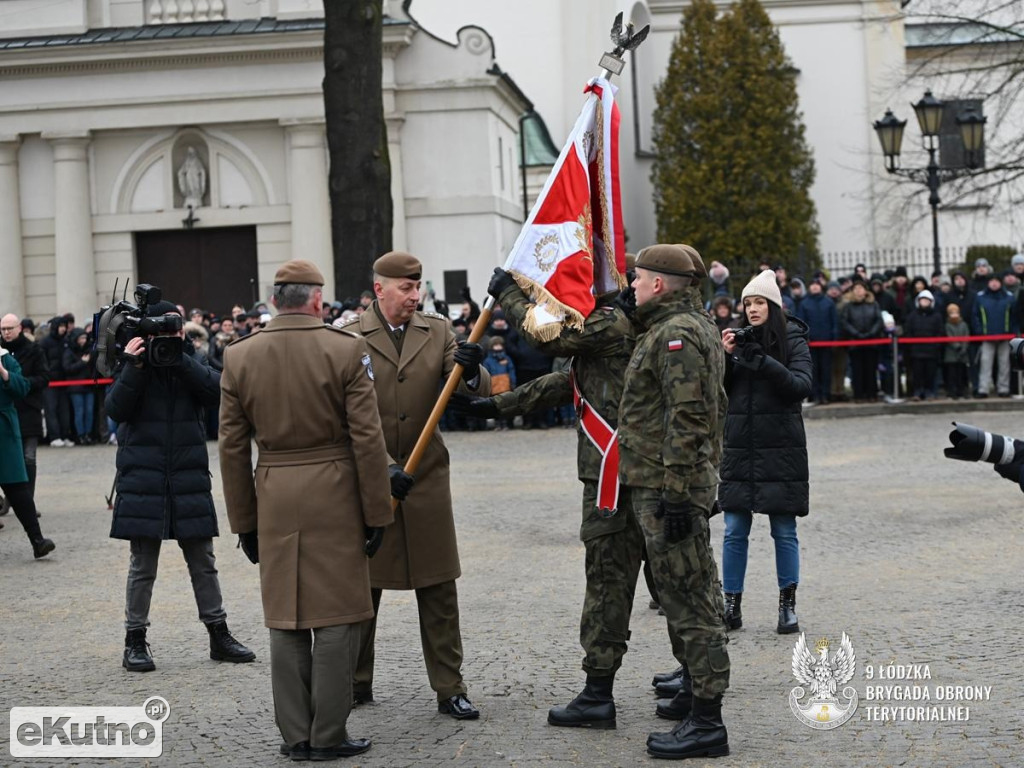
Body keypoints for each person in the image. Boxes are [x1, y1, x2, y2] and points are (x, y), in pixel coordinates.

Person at [457, 267, 659, 730]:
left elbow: (549, 342)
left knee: (610, 582)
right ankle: (690, 683)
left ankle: (598, 694)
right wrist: (496, 406)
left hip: (615, 476)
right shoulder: (623, 323)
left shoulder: (611, 323)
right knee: (663, 581)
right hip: (637, 471)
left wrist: (509, 293)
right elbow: (566, 382)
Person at [219, 260, 393, 761]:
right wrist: (377, 511)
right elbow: (366, 437)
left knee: (286, 617)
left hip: (273, 490)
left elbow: (231, 448)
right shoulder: (344, 348)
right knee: (338, 616)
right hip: (334, 491)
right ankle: (328, 734)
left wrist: (244, 521)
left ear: (276, 300)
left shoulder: (240, 356)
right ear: (317, 300)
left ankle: (295, 733)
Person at [341, 251, 488, 720]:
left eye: (417, 286)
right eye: (405, 287)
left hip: (425, 478)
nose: (415, 295)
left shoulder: (439, 331)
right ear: (379, 289)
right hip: (372, 479)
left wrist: (472, 367)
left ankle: (450, 687)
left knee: (439, 587)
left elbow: (470, 392)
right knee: (362, 589)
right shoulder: (347, 338)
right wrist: (381, 466)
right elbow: (342, 416)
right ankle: (354, 682)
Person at [617, 244, 731, 760]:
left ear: (660, 283)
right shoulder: (688, 325)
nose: (633, 285)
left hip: (670, 489)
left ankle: (708, 722)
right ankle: (697, 702)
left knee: (691, 602)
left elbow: (688, 418)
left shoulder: (675, 334)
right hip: (670, 484)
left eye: (638, 277)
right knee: (691, 594)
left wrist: (681, 494)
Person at [105, 301, 254, 672]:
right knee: (142, 565)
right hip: (143, 477)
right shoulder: (133, 362)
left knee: (203, 561)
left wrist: (181, 357)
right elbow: (116, 409)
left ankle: (218, 634)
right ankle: (134, 640)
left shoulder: (190, 358)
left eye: (174, 330)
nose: (168, 339)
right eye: (163, 332)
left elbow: (217, 392)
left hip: (187, 477)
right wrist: (135, 365)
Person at [719, 269, 812, 636]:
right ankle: (731, 605)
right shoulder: (739, 341)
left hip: (782, 449)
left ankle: (787, 606)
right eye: (748, 303)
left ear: (773, 305)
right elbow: (717, 390)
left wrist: (765, 361)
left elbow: (800, 386)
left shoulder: (793, 338)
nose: (752, 308)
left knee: (784, 531)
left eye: (759, 302)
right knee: (733, 529)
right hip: (741, 446)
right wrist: (726, 358)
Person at [0, 345, 56, 558]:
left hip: (4, 432)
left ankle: (37, 540)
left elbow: (22, 387)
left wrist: (4, 374)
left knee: (17, 489)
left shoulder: (6, 360)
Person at [1, 314, 50, 513]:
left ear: (19, 328)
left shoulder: (34, 349)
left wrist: (22, 385)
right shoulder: (2, 352)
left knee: (28, 457)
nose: (6, 333)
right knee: (6, 458)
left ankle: (27, 503)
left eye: (9, 328)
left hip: (28, 408)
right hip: (6, 412)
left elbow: (44, 377)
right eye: (3, 329)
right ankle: (8, 501)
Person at [971, 273, 1018, 398]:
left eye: (996, 281)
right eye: (991, 281)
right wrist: (980, 331)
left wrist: (1013, 332)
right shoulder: (980, 297)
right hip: (987, 336)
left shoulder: (1009, 297)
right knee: (985, 363)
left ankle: (1003, 389)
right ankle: (983, 389)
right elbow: (975, 316)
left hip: (1005, 336)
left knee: (1004, 364)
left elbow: (1014, 316)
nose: (994, 283)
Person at [840, 279, 882, 402]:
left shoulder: (873, 304)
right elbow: (845, 322)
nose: (859, 291)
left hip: (871, 342)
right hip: (855, 342)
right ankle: (858, 394)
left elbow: (878, 320)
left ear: (865, 291)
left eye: (861, 288)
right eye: (856, 289)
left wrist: (871, 333)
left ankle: (872, 394)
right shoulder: (848, 306)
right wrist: (856, 334)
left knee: (871, 369)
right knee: (857, 370)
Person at [796, 280, 837, 404]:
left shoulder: (829, 302)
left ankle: (825, 394)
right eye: (812, 284)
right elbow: (801, 322)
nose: (814, 287)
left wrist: (834, 338)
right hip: (811, 343)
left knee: (826, 369)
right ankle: (815, 394)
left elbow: (834, 321)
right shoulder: (804, 303)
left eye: (817, 284)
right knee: (813, 369)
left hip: (826, 342)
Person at [902, 289, 944, 401]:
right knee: (917, 373)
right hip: (916, 351)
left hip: (931, 350)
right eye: (922, 300)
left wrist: (936, 345)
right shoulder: (912, 316)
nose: (924, 302)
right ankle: (918, 391)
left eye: (927, 300)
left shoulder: (936, 316)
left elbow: (940, 332)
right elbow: (908, 331)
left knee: (930, 373)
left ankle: (930, 391)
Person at [39, 315, 72, 446]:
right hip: (50, 383)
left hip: (63, 381)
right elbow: (42, 361)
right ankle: (54, 437)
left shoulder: (66, 341)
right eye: (61, 326)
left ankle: (65, 435)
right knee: (51, 410)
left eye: (65, 326)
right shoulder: (45, 342)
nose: (64, 329)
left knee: (65, 410)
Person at [62, 327, 97, 444]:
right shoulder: (69, 352)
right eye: (81, 338)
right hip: (75, 387)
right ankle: (80, 435)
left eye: (85, 338)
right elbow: (67, 368)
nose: (83, 340)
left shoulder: (88, 350)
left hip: (88, 386)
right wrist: (82, 363)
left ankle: (88, 434)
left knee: (89, 411)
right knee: (79, 411)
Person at [943, 303, 970, 399]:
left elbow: (967, 336)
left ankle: (962, 391)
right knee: (952, 375)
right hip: (951, 354)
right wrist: (957, 346)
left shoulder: (964, 324)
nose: (954, 315)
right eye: (952, 313)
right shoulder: (947, 325)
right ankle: (952, 392)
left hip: (963, 353)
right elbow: (949, 337)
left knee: (962, 374)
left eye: (956, 313)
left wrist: (963, 347)